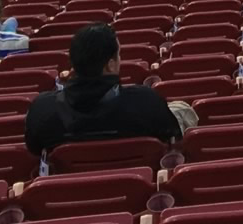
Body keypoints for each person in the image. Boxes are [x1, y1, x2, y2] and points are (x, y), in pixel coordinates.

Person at [24, 24, 182, 156]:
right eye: (119, 55)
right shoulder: (147, 102)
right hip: (133, 182)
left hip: (69, 185)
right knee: (181, 109)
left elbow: (34, 149)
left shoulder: (42, 110)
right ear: (110, 65)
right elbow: (173, 137)